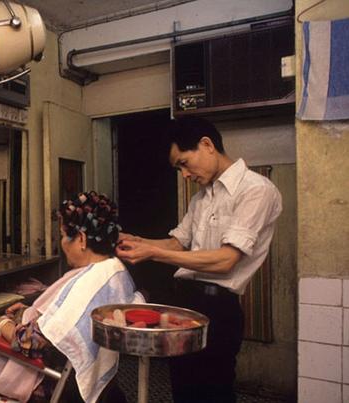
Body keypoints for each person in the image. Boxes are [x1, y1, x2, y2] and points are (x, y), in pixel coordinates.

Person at [116, 116, 282, 403]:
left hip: (217, 308)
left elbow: (225, 260)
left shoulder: (256, 190)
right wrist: (139, 242)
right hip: (185, 303)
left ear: (206, 144)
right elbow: (177, 243)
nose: (184, 175)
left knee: (212, 392)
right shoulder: (201, 199)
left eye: (183, 163)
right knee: (183, 388)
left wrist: (154, 253)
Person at [0, 191, 143, 403]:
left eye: (62, 235)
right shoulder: (114, 271)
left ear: (81, 239)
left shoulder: (90, 283)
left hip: (52, 381)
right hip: (87, 379)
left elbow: (30, 342)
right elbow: (70, 320)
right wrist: (26, 313)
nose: (61, 243)